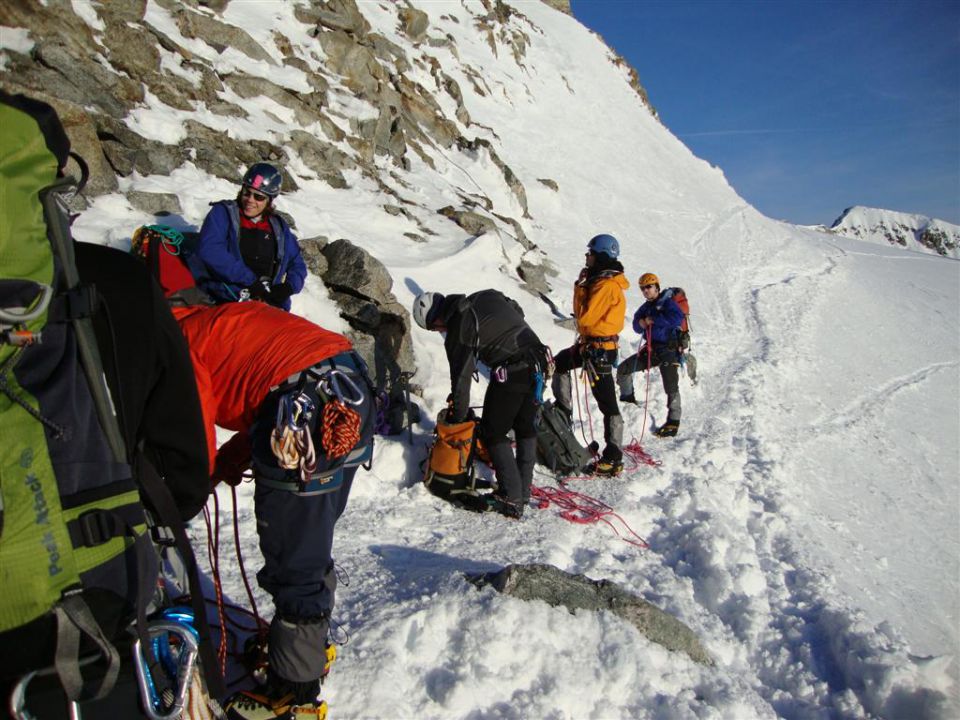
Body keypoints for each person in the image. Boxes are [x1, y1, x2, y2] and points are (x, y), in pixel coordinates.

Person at [172, 300, 375, 720]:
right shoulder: (214, 321)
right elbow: (266, 378)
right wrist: (229, 463)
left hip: (300, 412)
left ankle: (295, 695)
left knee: (292, 555)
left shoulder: (178, 341)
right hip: (348, 390)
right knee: (308, 541)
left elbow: (191, 433)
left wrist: (183, 499)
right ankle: (304, 648)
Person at [412, 289, 551, 518]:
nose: (440, 332)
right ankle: (522, 492)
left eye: (435, 329)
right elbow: (515, 307)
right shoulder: (485, 296)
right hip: (538, 360)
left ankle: (511, 498)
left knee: (492, 432)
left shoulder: (458, 326)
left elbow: (461, 379)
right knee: (525, 427)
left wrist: (458, 417)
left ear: (436, 320)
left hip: (513, 368)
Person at [551, 233, 629, 476]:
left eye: (591, 253)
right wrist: (581, 286)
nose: (587, 257)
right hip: (592, 347)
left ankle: (614, 456)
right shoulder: (599, 282)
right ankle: (563, 411)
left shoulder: (605, 285)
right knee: (560, 363)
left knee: (606, 400)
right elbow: (582, 317)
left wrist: (581, 287)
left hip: (600, 351)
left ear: (602, 256)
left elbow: (584, 318)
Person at [194, 162, 307, 310]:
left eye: (258, 197)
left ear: (269, 200)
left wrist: (290, 287)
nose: (250, 200)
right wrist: (250, 280)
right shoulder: (223, 213)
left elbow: (297, 262)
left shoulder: (279, 227)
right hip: (228, 299)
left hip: (269, 304)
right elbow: (210, 249)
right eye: (247, 192)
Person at [616, 272, 684, 438]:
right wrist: (642, 322)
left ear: (656, 287)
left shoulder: (667, 303)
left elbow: (677, 318)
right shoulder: (645, 307)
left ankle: (673, 421)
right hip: (652, 349)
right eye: (643, 288)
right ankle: (628, 402)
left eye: (649, 287)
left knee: (670, 384)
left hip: (668, 349)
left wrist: (653, 319)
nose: (646, 290)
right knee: (624, 369)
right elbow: (636, 327)